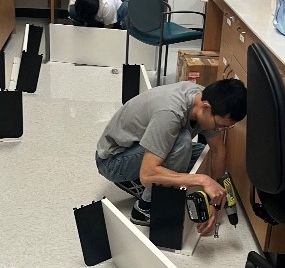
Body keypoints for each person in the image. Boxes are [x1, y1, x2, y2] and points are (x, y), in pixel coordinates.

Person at [95, 78, 247, 236]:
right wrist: (203, 180)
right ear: (206, 107)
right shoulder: (170, 113)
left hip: (137, 148)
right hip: (113, 161)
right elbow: (147, 175)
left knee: (202, 155)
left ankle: (136, 181)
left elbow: (218, 151)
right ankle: (145, 208)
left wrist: (213, 202)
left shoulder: (208, 99)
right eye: (220, 125)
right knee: (182, 143)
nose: (219, 129)